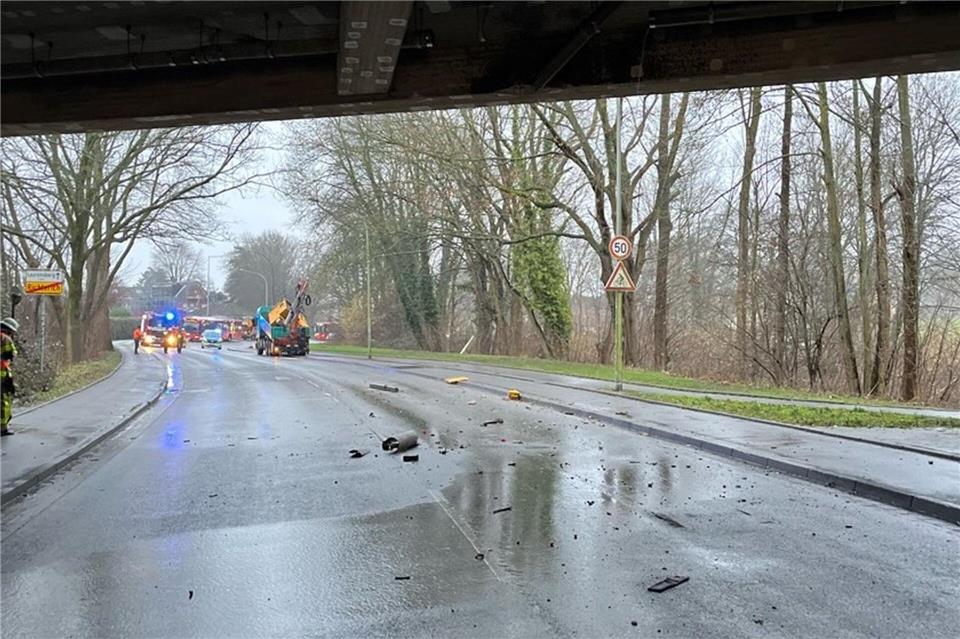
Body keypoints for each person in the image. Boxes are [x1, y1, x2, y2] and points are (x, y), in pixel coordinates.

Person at [1, 317, 20, 436]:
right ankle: (3, 428)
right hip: (2, 374)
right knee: (4, 402)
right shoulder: (5, 338)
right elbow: (11, 354)